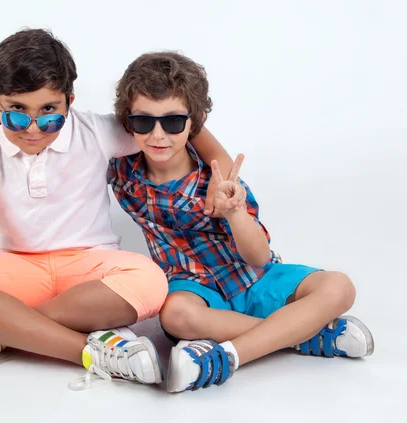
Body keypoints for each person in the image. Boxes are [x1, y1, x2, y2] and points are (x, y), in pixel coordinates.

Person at [0, 28, 233, 390]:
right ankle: (89, 350)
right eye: (17, 113)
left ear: (70, 100)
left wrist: (219, 165)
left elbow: (170, 121)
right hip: (17, 272)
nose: (34, 128)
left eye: (50, 112)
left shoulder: (96, 131)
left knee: (149, 280)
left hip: (90, 271)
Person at [108, 51, 374, 393]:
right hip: (196, 291)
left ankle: (230, 355)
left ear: (193, 123)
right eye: (145, 122)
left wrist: (234, 212)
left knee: (339, 286)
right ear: (129, 122)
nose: (158, 134)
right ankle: (304, 334)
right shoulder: (123, 171)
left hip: (254, 278)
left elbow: (260, 257)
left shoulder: (219, 179)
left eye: (173, 122)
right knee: (174, 317)